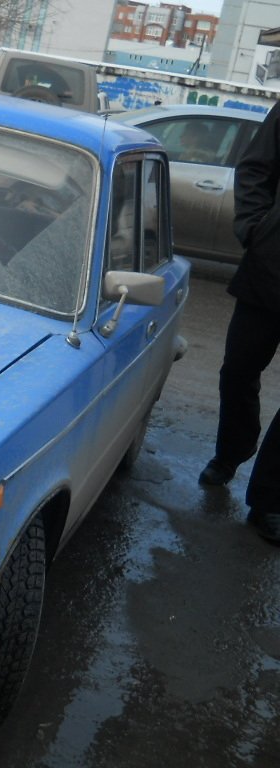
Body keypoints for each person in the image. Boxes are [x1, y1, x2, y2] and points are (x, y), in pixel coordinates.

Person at [199, 100, 280, 546]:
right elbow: (255, 167)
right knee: (238, 372)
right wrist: (256, 227)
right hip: (271, 269)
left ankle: (269, 500)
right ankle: (231, 452)